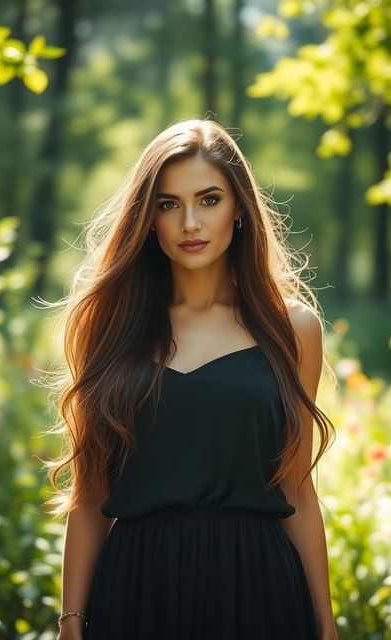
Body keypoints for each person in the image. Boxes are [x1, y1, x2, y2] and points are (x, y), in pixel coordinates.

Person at [42, 118, 338, 640]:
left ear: (240, 209)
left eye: (209, 200)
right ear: (148, 218)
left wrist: (326, 628)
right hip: (136, 588)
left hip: (259, 586)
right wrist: (71, 624)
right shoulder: (109, 329)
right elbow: (90, 496)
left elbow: (297, 488)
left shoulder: (293, 329)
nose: (190, 224)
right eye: (168, 204)